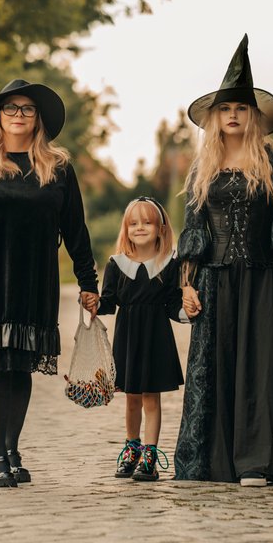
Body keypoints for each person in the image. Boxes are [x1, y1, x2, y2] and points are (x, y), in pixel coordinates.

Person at [0, 79, 99, 488]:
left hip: (36, 278)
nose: (18, 115)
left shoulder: (58, 167)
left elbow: (76, 230)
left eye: (27, 109)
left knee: (22, 364)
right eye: (10, 108)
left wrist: (88, 282)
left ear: (38, 119)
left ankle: (13, 449)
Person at [174, 35, 273, 487]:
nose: (232, 115)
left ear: (253, 116)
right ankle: (214, 464)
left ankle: (254, 463)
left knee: (260, 365)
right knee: (216, 366)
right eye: (225, 108)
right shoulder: (202, 169)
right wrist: (187, 285)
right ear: (215, 118)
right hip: (213, 281)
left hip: (263, 280)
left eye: (241, 108)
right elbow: (194, 230)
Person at [97, 198, 196, 482]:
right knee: (131, 398)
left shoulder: (170, 263)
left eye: (147, 222)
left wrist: (190, 314)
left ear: (161, 228)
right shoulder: (116, 264)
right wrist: (91, 303)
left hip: (156, 337)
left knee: (152, 398)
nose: (140, 228)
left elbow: (172, 304)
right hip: (128, 338)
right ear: (125, 229)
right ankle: (132, 448)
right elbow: (108, 303)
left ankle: (150, 455)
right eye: (133, 223)